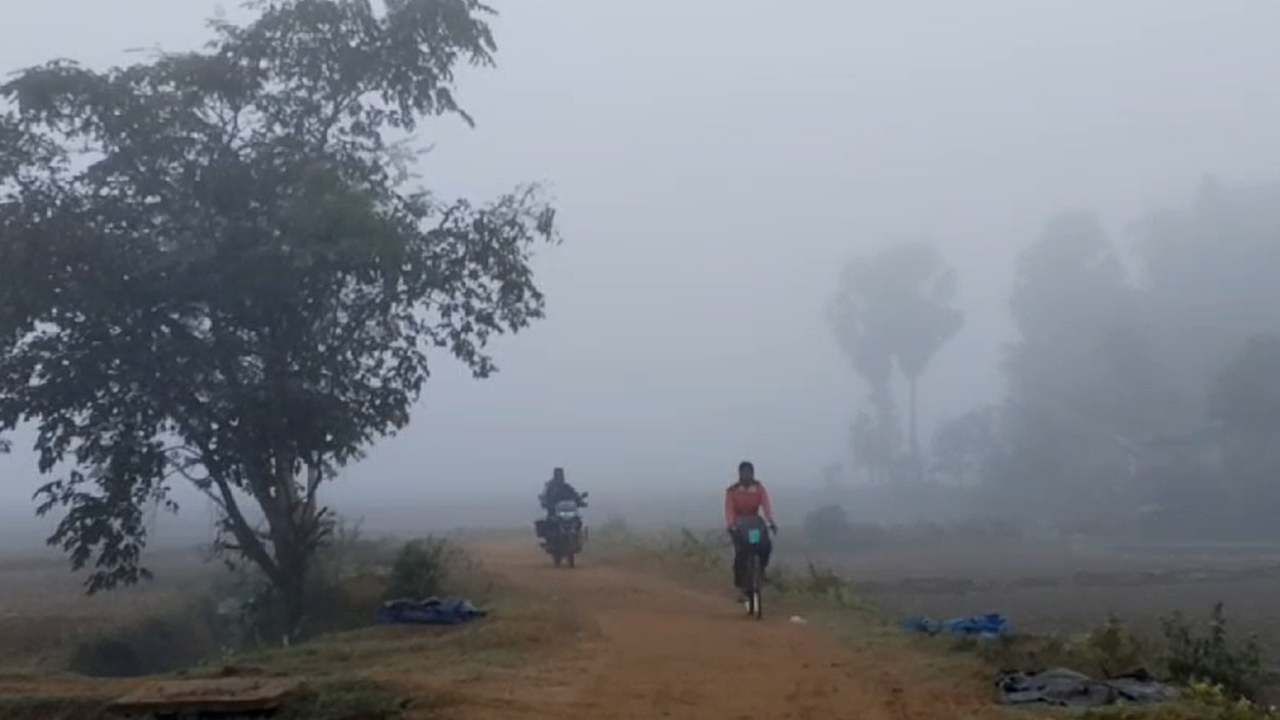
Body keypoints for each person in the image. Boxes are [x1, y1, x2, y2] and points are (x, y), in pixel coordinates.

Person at [724, 460, 777, 598]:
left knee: (764, 546)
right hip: (739, 525)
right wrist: (731, 525)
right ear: (739, 474)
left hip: (754, 523)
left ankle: (761, 571)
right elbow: (729, 510)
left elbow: (766, 505)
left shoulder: (759, 488)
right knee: (741, 552)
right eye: (744, 473)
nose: (747, 475)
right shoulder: (732, 491)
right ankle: (741, 585)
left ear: (753, 474)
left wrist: (770, 521)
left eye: (749, 473)